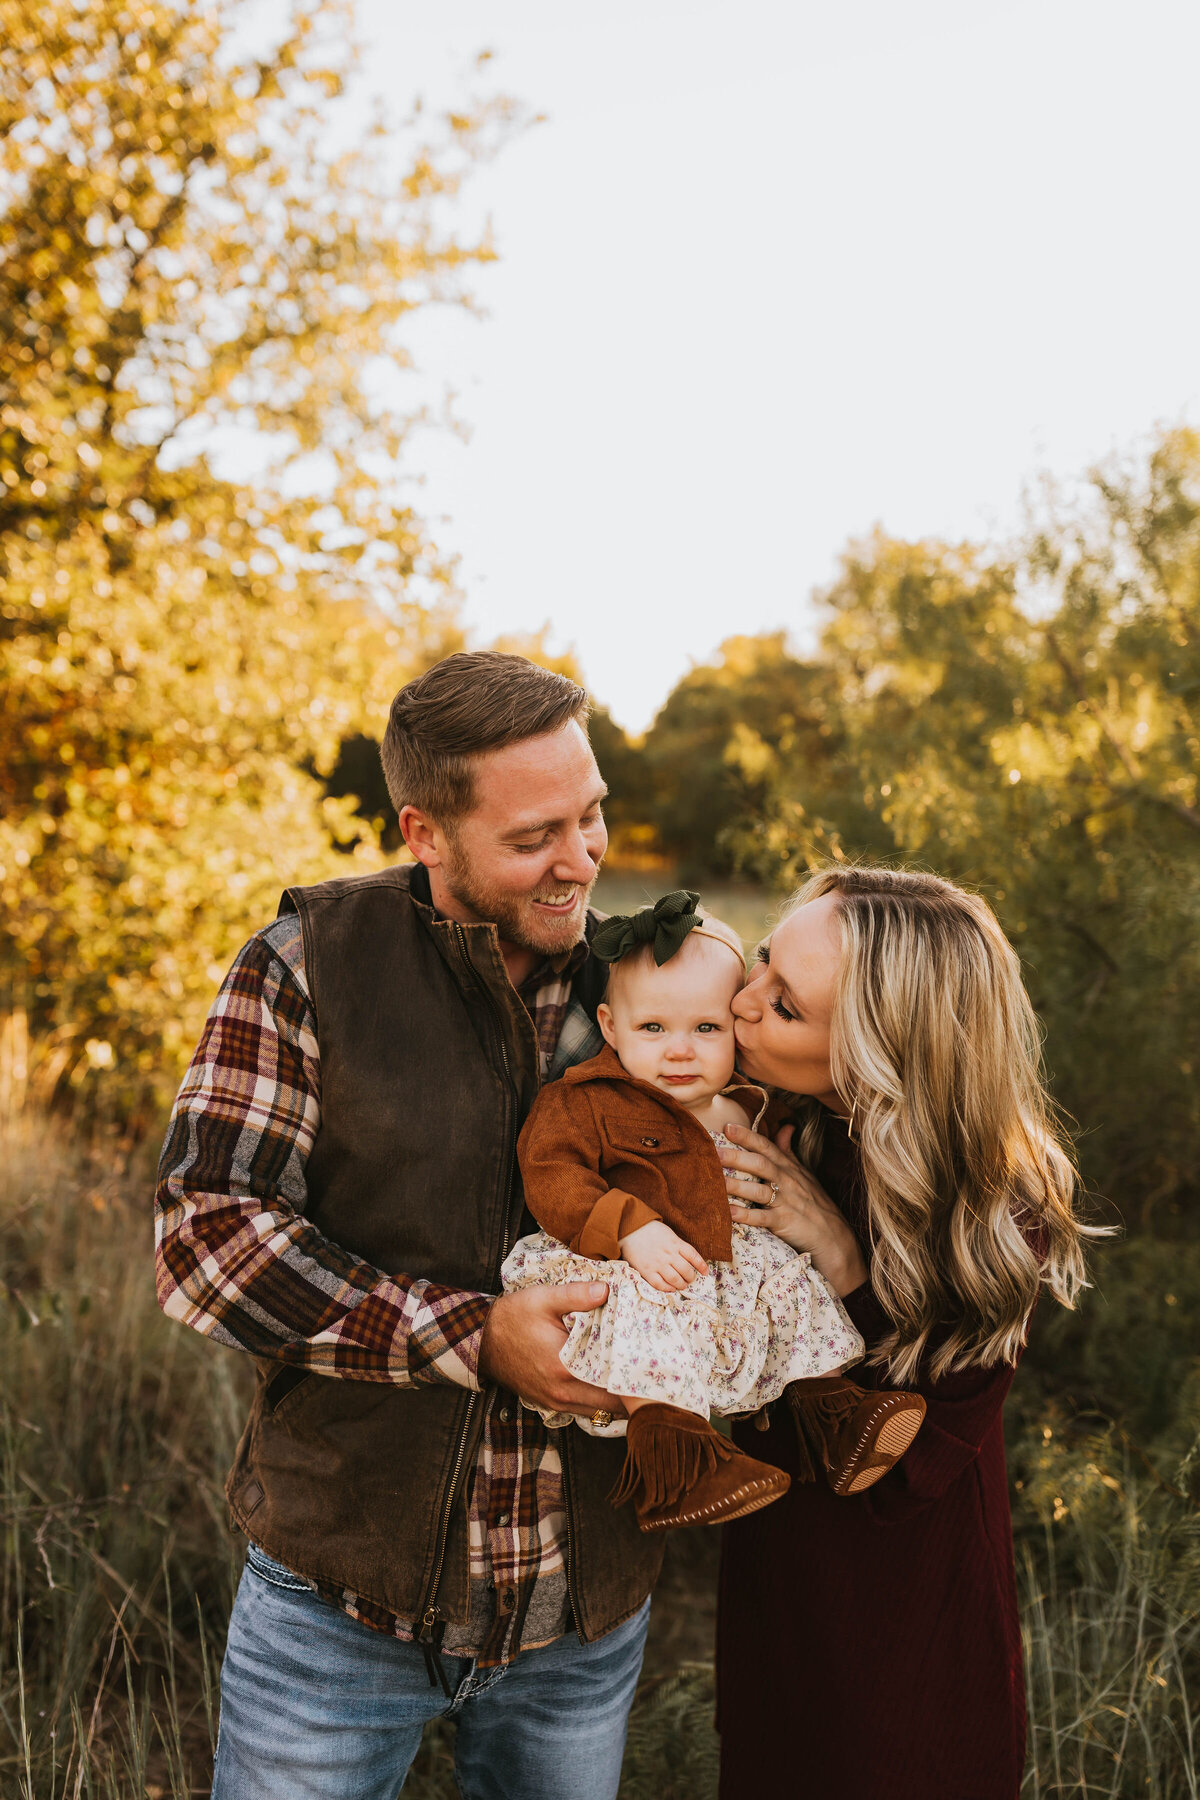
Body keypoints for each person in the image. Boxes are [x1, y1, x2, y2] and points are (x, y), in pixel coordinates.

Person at [154, 652, 663, 1800]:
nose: (582, 861)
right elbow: (207, 1236)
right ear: (425, 833)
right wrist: (474, 1337)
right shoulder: (308, 964)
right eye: (536, 836)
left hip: (583, 1611)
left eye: (592, 817)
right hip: (340, 1608)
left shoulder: (646, 985)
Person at [714, 865, 1096, 1800]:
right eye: (763, 962)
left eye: (786, 1007)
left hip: (902, 1625)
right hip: (776, 1583)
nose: (742, 1004)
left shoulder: (994, 1217)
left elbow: (906, 1466)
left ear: (879, 1053)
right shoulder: (785, 1117)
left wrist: (842, 1261)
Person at [504, 889, 924, 1532]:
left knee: (793, 1283)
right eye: (653, 1029)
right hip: (640, 1262)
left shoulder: (757, 1104)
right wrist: (630, 1227)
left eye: (707, 1028)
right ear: (610, 1028)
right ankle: (678, 1457)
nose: (681, 1051)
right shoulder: (585, 1101)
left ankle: (834, 1414)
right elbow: (552, 1175)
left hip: (731, 1262)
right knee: (649, 1315)